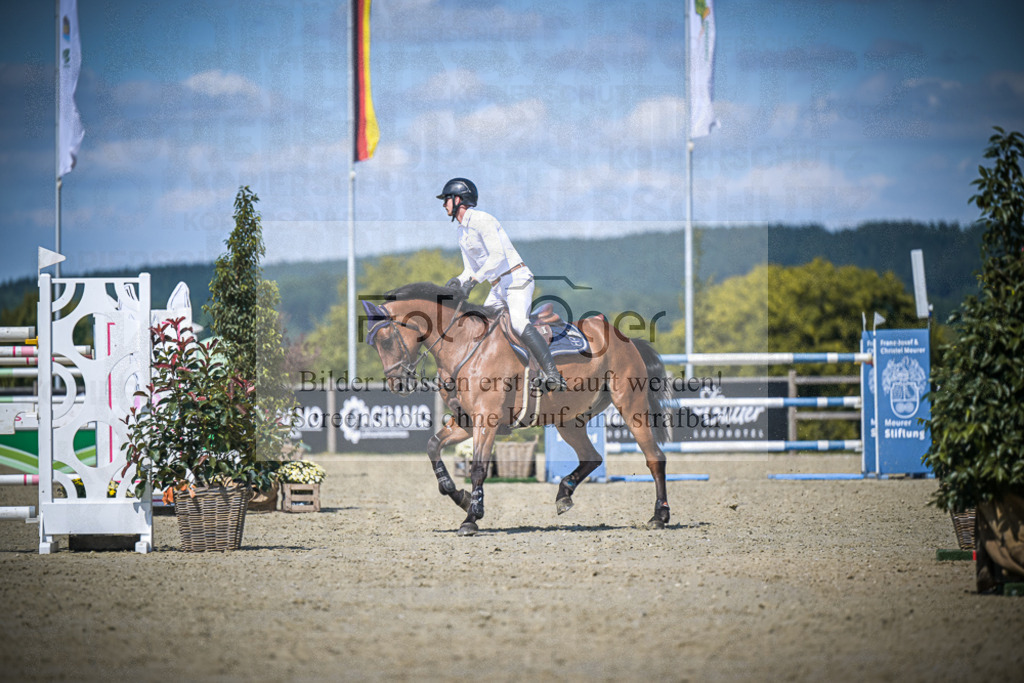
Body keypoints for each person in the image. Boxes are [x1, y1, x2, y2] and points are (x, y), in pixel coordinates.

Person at [437, 177, 567, 392]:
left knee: (517, 322)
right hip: (497, 287)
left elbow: (497, 255)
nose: (444, 205)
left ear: (458, 199)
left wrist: (474, 281)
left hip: (516, 279)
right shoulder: (461, 232)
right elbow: (469, 268)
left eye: (446, 200)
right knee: (480, 326)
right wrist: (458, 281)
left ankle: (552, 373)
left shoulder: (482, 220)